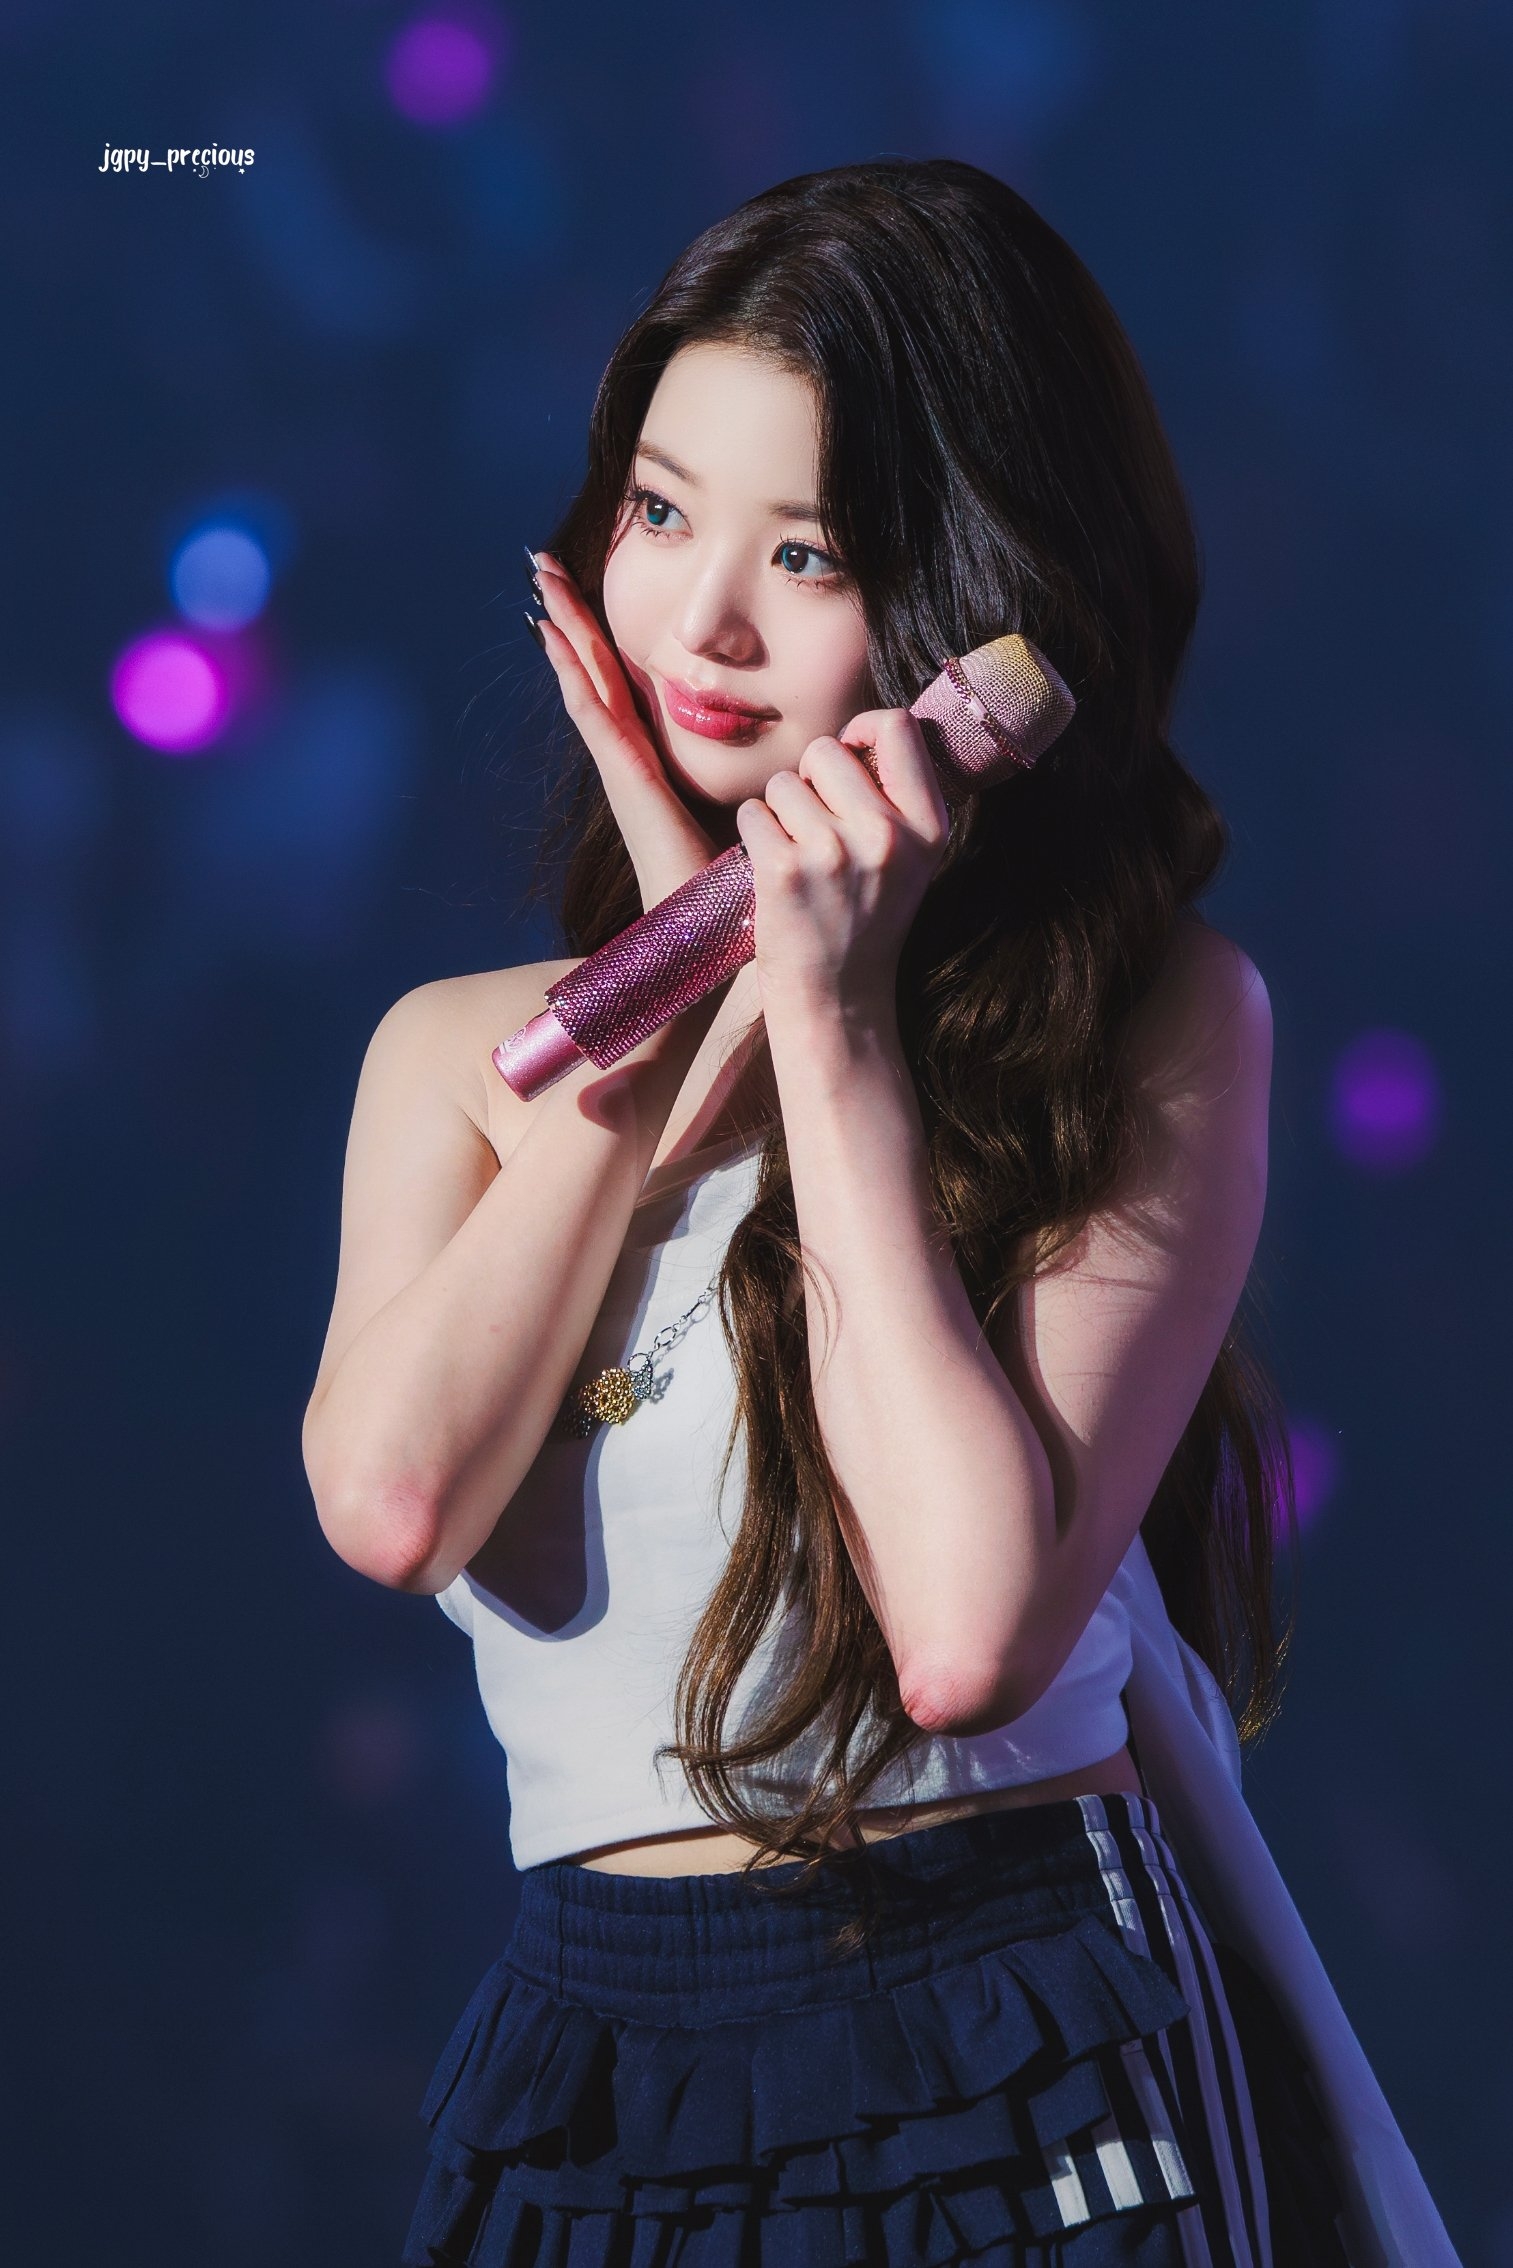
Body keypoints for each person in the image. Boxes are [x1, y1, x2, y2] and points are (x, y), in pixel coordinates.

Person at [302, 160, 1459, 2267]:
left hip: (1014, 2026)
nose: (702, 624)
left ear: (974, 604)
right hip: (591, 2049)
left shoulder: (1147, 1021)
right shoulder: (464, 1057)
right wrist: (667, 991)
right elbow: (393, 1505)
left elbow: (961, 1637)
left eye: (807, 552)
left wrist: (827, 1024)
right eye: (660, 513)